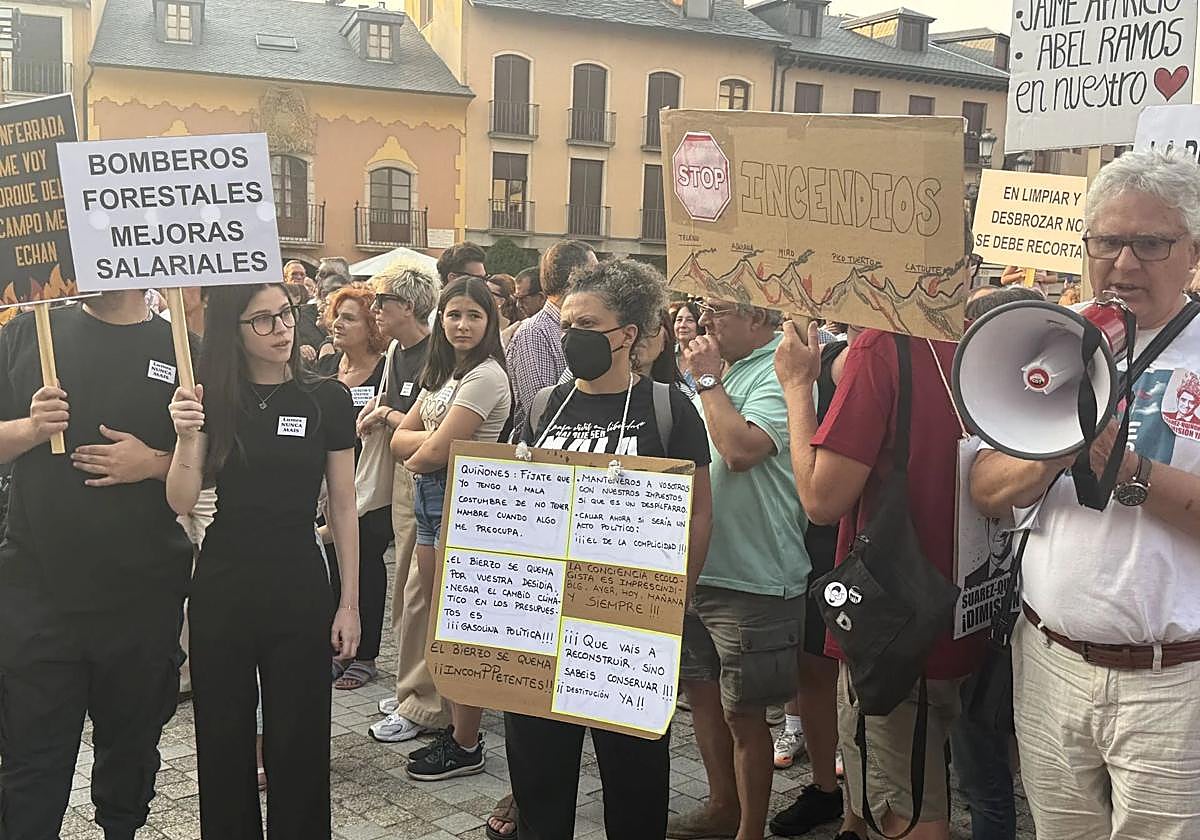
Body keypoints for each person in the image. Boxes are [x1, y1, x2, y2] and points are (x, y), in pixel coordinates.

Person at [970, 149, 1200, 840]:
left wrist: (1121, 464)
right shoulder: (1048, 337)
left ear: (1192, 249)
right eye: (1106, 241)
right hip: (1048, 659)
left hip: (1173, 684)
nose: (1124, 264)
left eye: (1150, 243)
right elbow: (984, 490)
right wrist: (1050, 451)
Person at [507, 259, 713, 840]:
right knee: (539, 777)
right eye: (567, 322)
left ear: (627, 335)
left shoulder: (670, 410)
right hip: (540, 623)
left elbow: (698, 513)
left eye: (588, 324)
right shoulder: (546, 406)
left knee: (635, 779)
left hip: (629, 629)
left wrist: (677, 600)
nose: (572, 336)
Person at [774, 312, 983, 840]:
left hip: (895, 624)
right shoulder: (979, 336)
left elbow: (822, 499)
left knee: (907, 812)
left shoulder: (884, 348)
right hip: (970, 607)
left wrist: (798, 387)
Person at [166, 283, 361, 838]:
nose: (282, 328)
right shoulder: (210, 400)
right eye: (263, 321)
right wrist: (185, 437)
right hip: (223, 582)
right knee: (223, 738)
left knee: (299, 738)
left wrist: (350, 603)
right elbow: (181, 500)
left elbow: (343, 507)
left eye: (286, 314)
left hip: (299, 579)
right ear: (234, 330)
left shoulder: (327, 397)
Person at [0, 291, 192, 840]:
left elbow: (214, 460)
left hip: (140, 596)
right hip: (40, 595)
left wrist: (152, 463)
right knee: (32, 762)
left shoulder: (181, 346)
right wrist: (29, 429)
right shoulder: (27, 333)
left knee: (130, 755)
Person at [667, 300, 810, 840]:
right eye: (703, 310)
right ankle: (722, 808)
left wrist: (706, 380)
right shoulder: (732, 368)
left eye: (719, 312)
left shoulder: (780, 368)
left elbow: (741, 450)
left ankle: (750, 830)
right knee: (704, 699)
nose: (704, 323)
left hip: (754, 572)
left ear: (758, 320)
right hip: (705, 565)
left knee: (746, 716)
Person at [390, 275, 512, 780]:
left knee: (462, 625)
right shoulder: (443, 372)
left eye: (474, 316)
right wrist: (421, 445)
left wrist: (419, 446)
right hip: (431, 497)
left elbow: (427, 451)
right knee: (441, 618)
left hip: (463, 500)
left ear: (490, 323)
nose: (462, 325)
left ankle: (466, 741)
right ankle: (458, 730)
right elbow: (402, 439)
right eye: (454, 314)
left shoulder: (486, 376)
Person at [770, 326, 863, 838]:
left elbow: (825, 493)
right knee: (814, 668)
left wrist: (797, 387)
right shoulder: (820, 352)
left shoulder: (874, 357)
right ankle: (827, 789)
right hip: (814, 539)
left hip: (862, 534)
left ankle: (859, 808)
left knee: (857, 681)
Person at [361, 262, 449, 743]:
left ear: (409, 307)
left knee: (421, 591)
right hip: (402, 475)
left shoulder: (439, 354)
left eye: (382, 303)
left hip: (429, 477)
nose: (376, 311)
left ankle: (425, 698)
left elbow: (427, 429)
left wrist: (387, 416)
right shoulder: (397, 349)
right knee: (406, 588)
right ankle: (409, 684)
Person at [316, 286, 390, 691]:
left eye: (350, 318)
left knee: (367, 563)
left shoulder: (384, 371)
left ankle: (366, 656)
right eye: (336, 316)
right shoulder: (328, 365)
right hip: (332, 484)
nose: (339, 324)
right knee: (332, 561)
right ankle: (337, 648)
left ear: (371, 328)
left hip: (370, 484)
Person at [506, 240, 597, 432]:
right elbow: (542, 413)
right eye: (594, 273)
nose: (602, 282)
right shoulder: (534, 333)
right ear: (575, 276)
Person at [673, 298, 703, 389]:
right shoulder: (666, 354)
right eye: (679, 320)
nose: (682, 325)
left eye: (689, 320)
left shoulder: (706, 357)